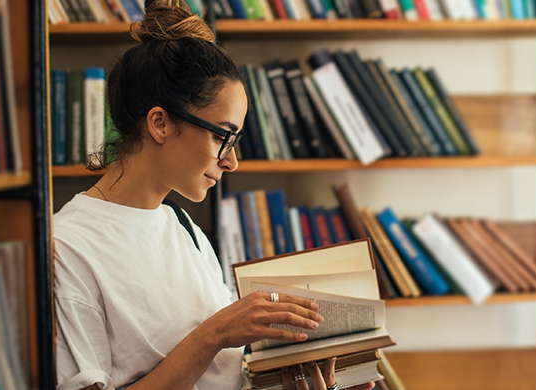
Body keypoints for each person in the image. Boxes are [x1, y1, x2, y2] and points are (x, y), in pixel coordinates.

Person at [51, 1, 377, 389]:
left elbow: (224, 378)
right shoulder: (67, 247)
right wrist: (215, 333)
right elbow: (212, 344)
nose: (232, 161)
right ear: (160, 123)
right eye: (223, 136)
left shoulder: (183, 227)